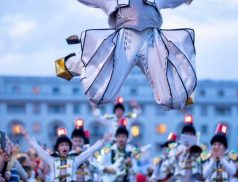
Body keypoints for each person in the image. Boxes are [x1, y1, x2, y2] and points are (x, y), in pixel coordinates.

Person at [56, 0, 197, 110]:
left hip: (151, 41)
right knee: (103, 91)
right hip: (126, 40)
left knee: (171, 97)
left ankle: (183, 90)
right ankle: (70, 63)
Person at [22, 127, 110, 181]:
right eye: (62, 145)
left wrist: (103, 141)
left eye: (67, 145)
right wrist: (27, 137)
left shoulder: (75, 160)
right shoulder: (52, 159)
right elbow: (39, 150)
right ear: (58, 148)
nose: (64, 147)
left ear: (69, 147)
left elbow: (90, 151)